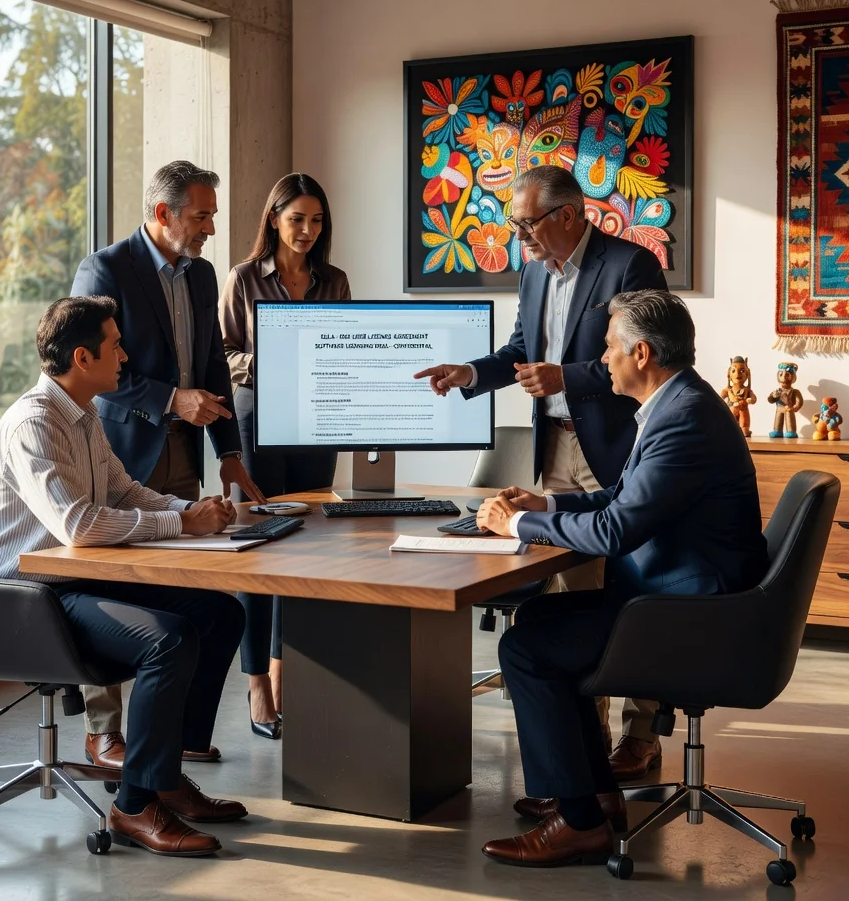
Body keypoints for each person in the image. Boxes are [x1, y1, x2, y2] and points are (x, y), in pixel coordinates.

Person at [474, 290, 769, 868]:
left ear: (641, 353)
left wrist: (518, 525)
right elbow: (623, 496)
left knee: (527, 649)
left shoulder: (683, 418)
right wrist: (545, 505)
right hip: (679, 597)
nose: (602, 358)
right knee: (537, 618)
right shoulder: (679, 403)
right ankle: (595, 795)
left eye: (610, 347)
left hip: (690, 616)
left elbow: (615, 531)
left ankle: (579, 823)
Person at [0, 296, 250, 857]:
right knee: (169, 640)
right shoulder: (34, 423)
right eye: (116, 346)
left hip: (76, 581)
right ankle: (134, 806)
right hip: (27, 599)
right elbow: (77, 524)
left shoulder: (83, 413)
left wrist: (193, 514)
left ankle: (164, 776)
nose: (125, 355)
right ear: (82, 356)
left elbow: (122, 493)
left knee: (220, 612)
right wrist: (180, 523)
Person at [414, 165, 668, 776]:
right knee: (572, 591)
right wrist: (470, 374)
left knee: (635, 587)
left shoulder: (629, 265)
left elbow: (648, 356)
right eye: (514, 222)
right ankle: (588, 735)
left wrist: (566, 377)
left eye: (527, 223)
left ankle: (642, 733)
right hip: (552, 447)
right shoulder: (532, 272)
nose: (518, 235)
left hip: (615, 448)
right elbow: (520, 351)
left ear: (569, 215)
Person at [70, 160, 266, 770]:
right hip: (120, 451)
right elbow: (92, 371)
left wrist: (229, 453)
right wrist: (170, 399)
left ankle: (175, 732)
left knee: (184, 587)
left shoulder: (203, 275)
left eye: (211, 215)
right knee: (108, 586)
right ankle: (105, 730)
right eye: (202, 216)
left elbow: (212, 367)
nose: (211, 227)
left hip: (184, 451)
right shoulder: (105, 268)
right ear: (163, 213)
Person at [219, 173, 351, 736]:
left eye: (316, 220)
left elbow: (344, 345)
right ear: (273, 219)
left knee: (306, 547)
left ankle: (283, 673)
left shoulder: (334, 280)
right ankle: (257, 686)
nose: (307, 230)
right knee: (258, 550)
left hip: (316, 421)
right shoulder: (244, 278)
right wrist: (272, 361)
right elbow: (222, 355)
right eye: (297, 219)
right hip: (255, 423)